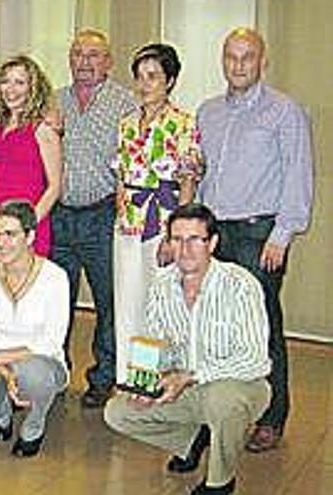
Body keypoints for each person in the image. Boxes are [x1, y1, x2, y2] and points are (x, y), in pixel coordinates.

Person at [197, 28, 313, 453]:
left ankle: (271, 416)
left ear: (262, 62)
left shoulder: (285, 111)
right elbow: (204, 175)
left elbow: (298, 177)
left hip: (259, 233)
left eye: (248, 57)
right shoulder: (207, 112)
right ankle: (220, 410)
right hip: (216, 232)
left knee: (262, 326)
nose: (238, 65)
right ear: (222, 60)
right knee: (215, 325)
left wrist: (282, 234)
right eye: (231, 56)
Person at [105, 203, 271, 495]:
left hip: (239, 385)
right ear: (168, 243)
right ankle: (193, 439)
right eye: (177, 239)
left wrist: (190, 376)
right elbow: (155, 344)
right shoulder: (161, 286)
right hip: (185, 387)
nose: (186, 249)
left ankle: (220, 481)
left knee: (223, 403)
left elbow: (254, 360)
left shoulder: (241, 285)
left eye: (196, 239)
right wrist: (142, 382)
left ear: (213, 243)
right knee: (118, 412)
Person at [52, 29, 137, 409]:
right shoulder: (54, 101)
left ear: (108, 62)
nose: (84, 62)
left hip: (102, 216)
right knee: (56, 302)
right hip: (58, 216)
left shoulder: (127, 104)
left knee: (108, 302)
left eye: (93, 55)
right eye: (77, 54)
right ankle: (55, 371)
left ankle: (104, 377)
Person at [112, 43, 201, 385]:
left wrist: (174, 236)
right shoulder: (127, 124)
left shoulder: (183, 123)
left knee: (160, 305)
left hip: (164, 221)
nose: (145, 84)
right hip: (128, 223)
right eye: (140, 76)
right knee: (128, 303)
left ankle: (160, 378)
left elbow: (188, 182)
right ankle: (133, 379)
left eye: (154, 76)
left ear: (171, 80)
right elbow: (121, 176)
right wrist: (121, 215)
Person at [0, 200, 69, 457]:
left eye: (10, 234)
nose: (1, 242)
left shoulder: (55, 277)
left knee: (34, 375)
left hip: (41, 362)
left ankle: (35, 422)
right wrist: (5, 374)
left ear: (30, 236)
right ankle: (2, 413)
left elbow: (50, 343)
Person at [0, 55, 62, 268]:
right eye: (6, 81)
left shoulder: (44, 127)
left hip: (27, 218)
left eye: (19, 82)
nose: (10, 89)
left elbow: (55, 187)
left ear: (33, 88)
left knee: (23, 287)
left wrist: (28, 224)